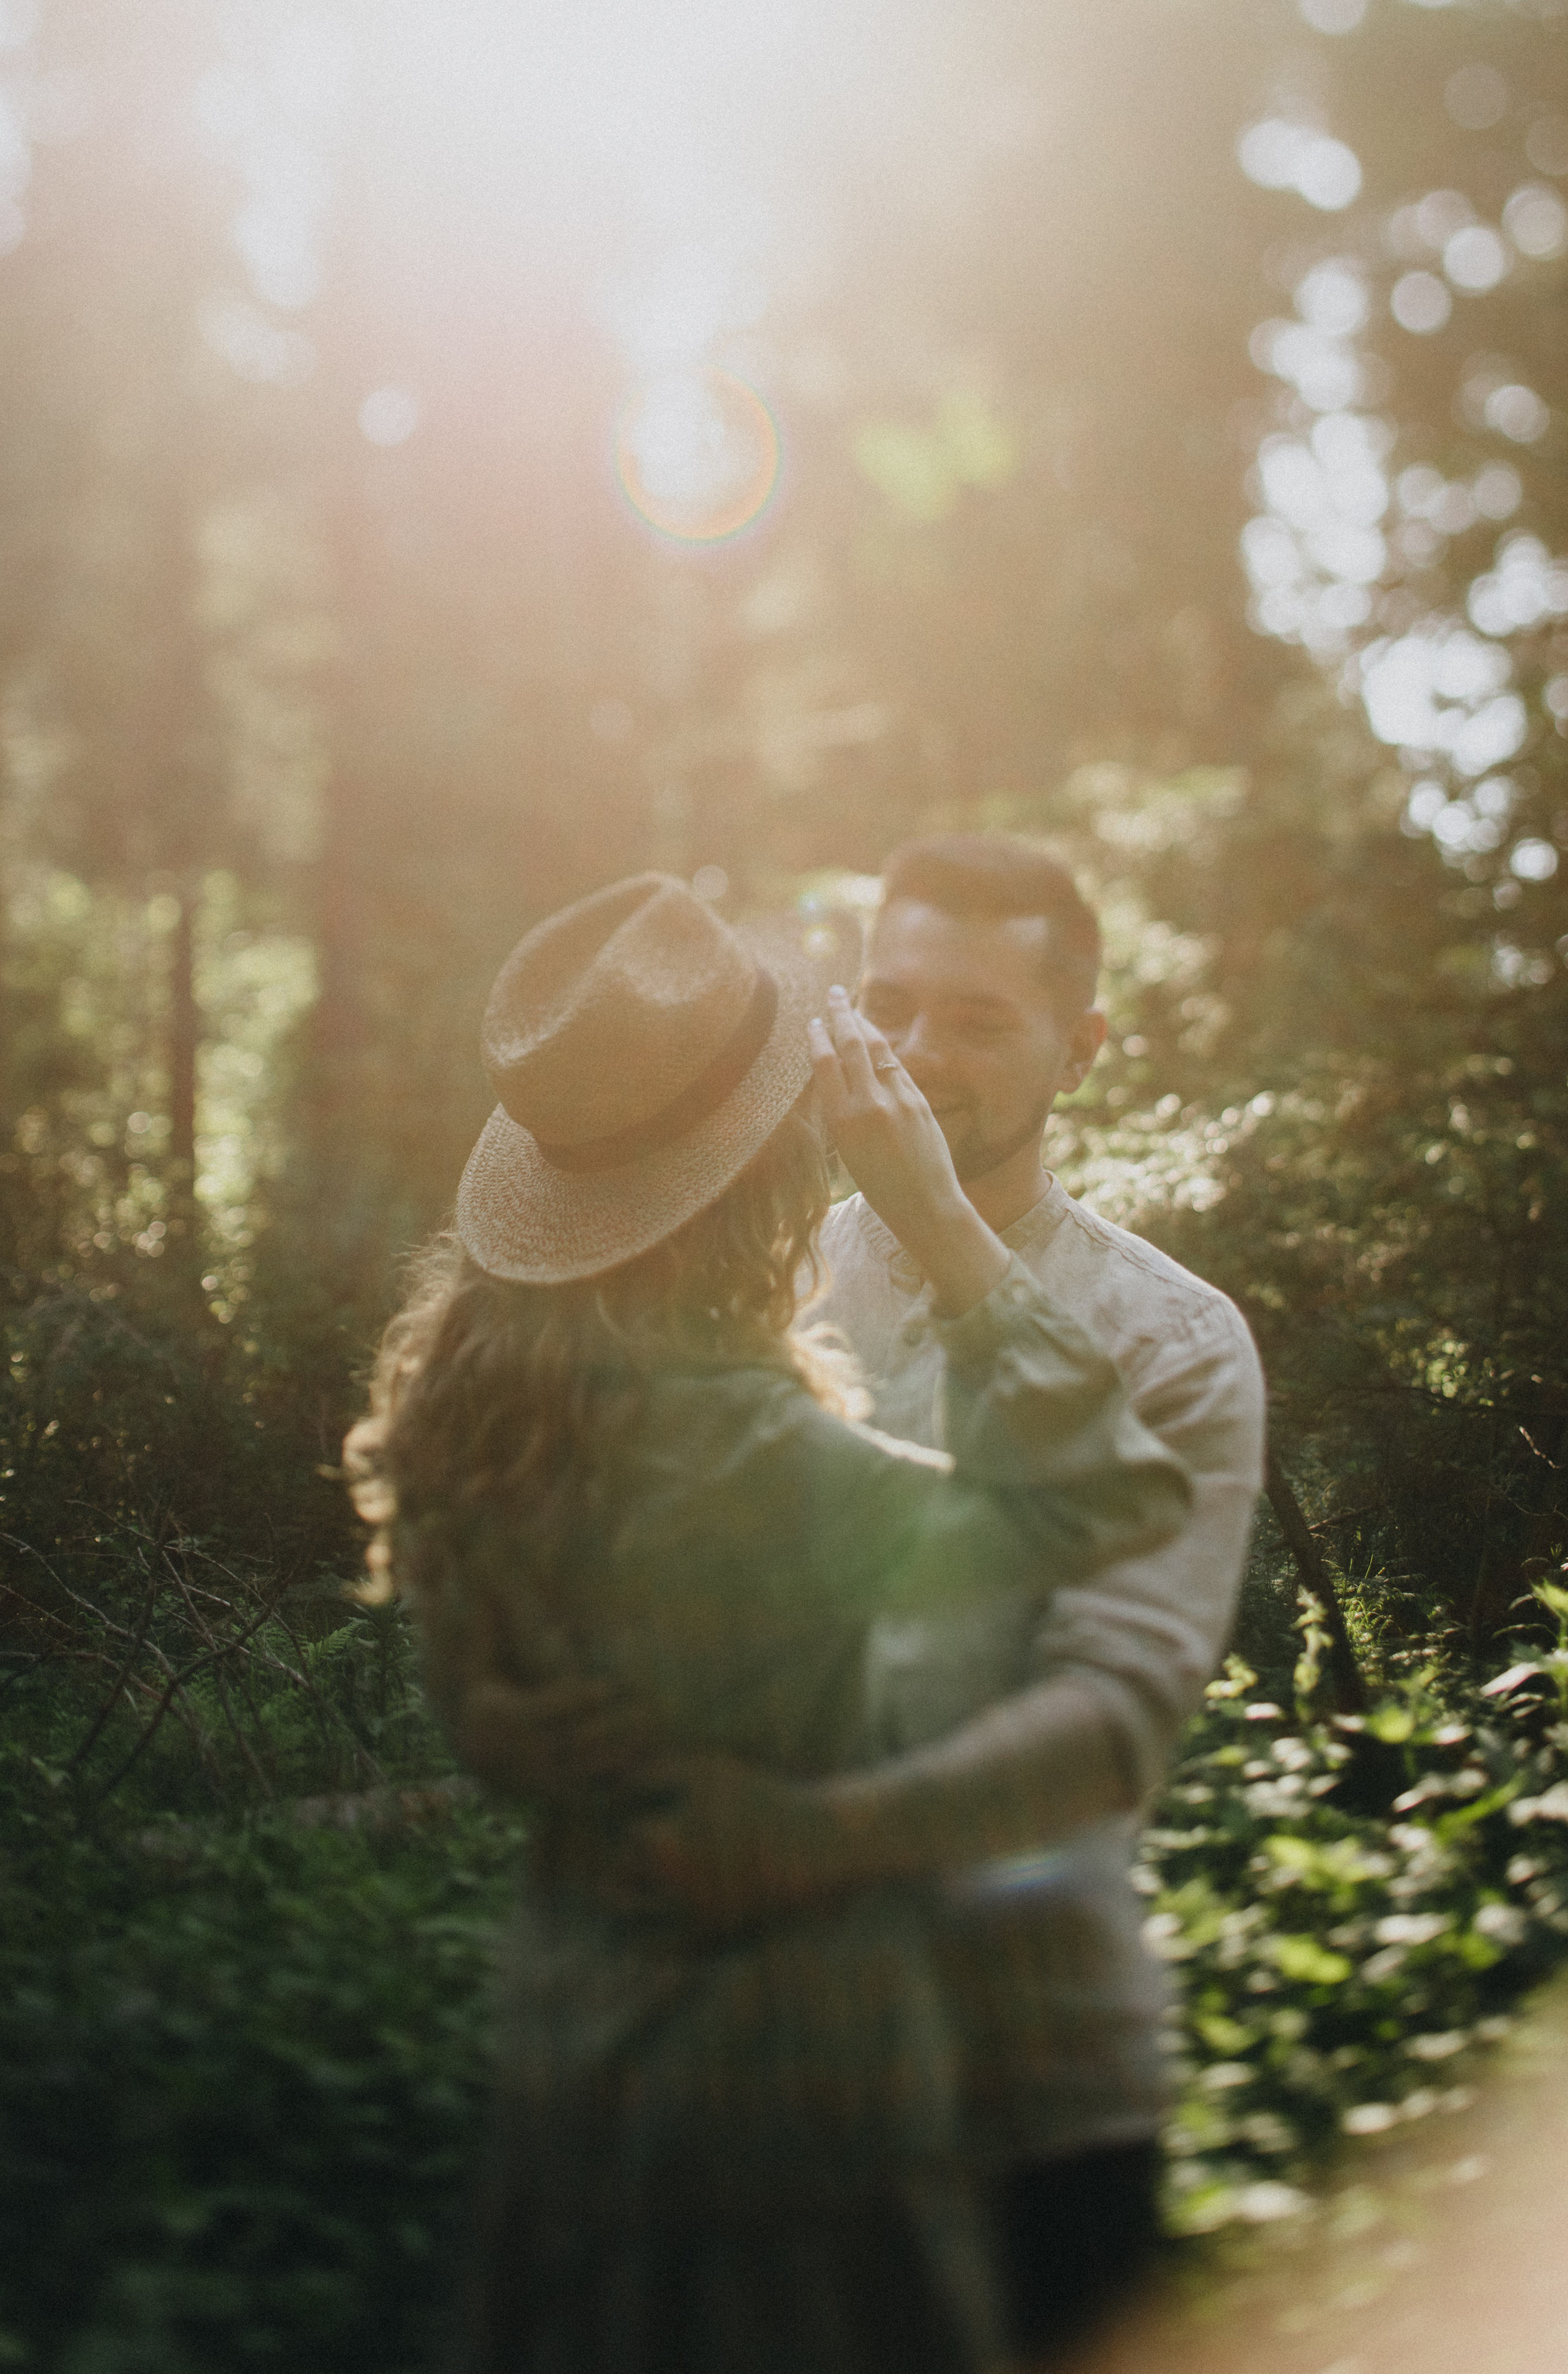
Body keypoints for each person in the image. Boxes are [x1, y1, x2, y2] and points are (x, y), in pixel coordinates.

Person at [345, 869, 1192, 2374]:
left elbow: (492, 1733)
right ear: (758, 1171)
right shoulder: (754, 1460)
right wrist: (934, 1215)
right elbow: (1105, 1501)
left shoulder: (465, 1421)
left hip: (573, 2041)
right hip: (793, 2091)